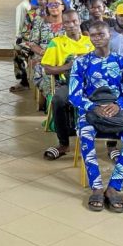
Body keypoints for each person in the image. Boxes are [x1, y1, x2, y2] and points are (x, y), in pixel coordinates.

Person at [68, 20, 123, 213]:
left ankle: (114, 187)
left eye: (101, 34)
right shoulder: (81, 62)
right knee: (85, 134)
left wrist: (118, 106)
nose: (97, 38)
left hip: (118, 112)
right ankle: (97, 187)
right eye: (93, 35)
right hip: (91, 112)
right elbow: (74, 95)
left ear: (110, 35)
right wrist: (93, 107)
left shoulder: (122, 62)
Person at [40, 9, 94, 161]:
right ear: (63, 24)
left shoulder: (90, 42)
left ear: (79, 21)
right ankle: (63, 143)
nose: (71, 25)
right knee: (58, 99)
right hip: (69, 83)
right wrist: (69, 66)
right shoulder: (56, 43)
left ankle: (110, 144)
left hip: (91, 84)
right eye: (67, 22)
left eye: (74, 21)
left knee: (111, 98)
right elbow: (48, 69)